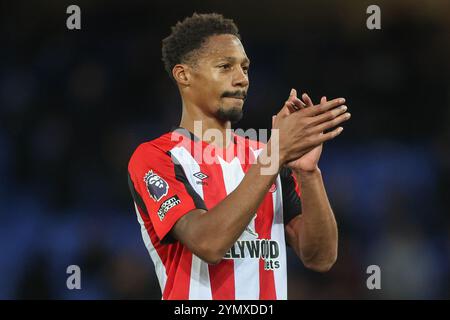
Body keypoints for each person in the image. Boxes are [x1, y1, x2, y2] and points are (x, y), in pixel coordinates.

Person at [127, 12, 351, 300]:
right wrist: (276, 152)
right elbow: (208, 243)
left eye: (245, 68)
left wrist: (308, 173)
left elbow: (321, 258)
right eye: (225, 66)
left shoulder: (266, 156)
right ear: (184, 75)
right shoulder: (157, 156)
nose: (241, 79)